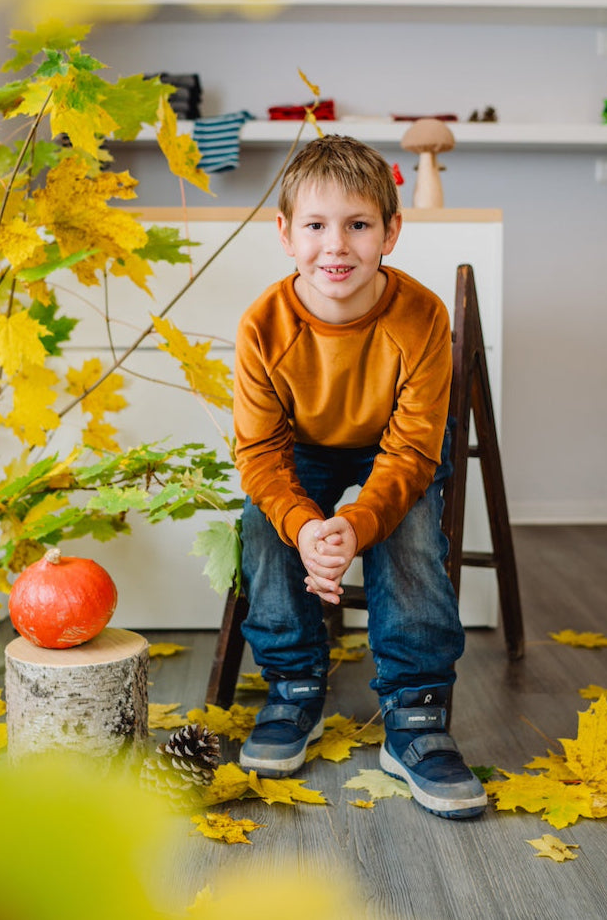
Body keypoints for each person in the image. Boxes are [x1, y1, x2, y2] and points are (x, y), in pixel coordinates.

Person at [232, 134, 486, 819]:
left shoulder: (423, 316)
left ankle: (416, 712)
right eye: (315, 225)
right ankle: (292, 687)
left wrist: (356, 524)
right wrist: (308, 525)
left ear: (390, 232)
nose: (335, 245)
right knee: (264, 520)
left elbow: (410, 453)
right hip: (301, 449)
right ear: (285, 234)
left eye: (358, 224)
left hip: (389, 449)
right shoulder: (263, 325)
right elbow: (259, 453)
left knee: (405, 528)